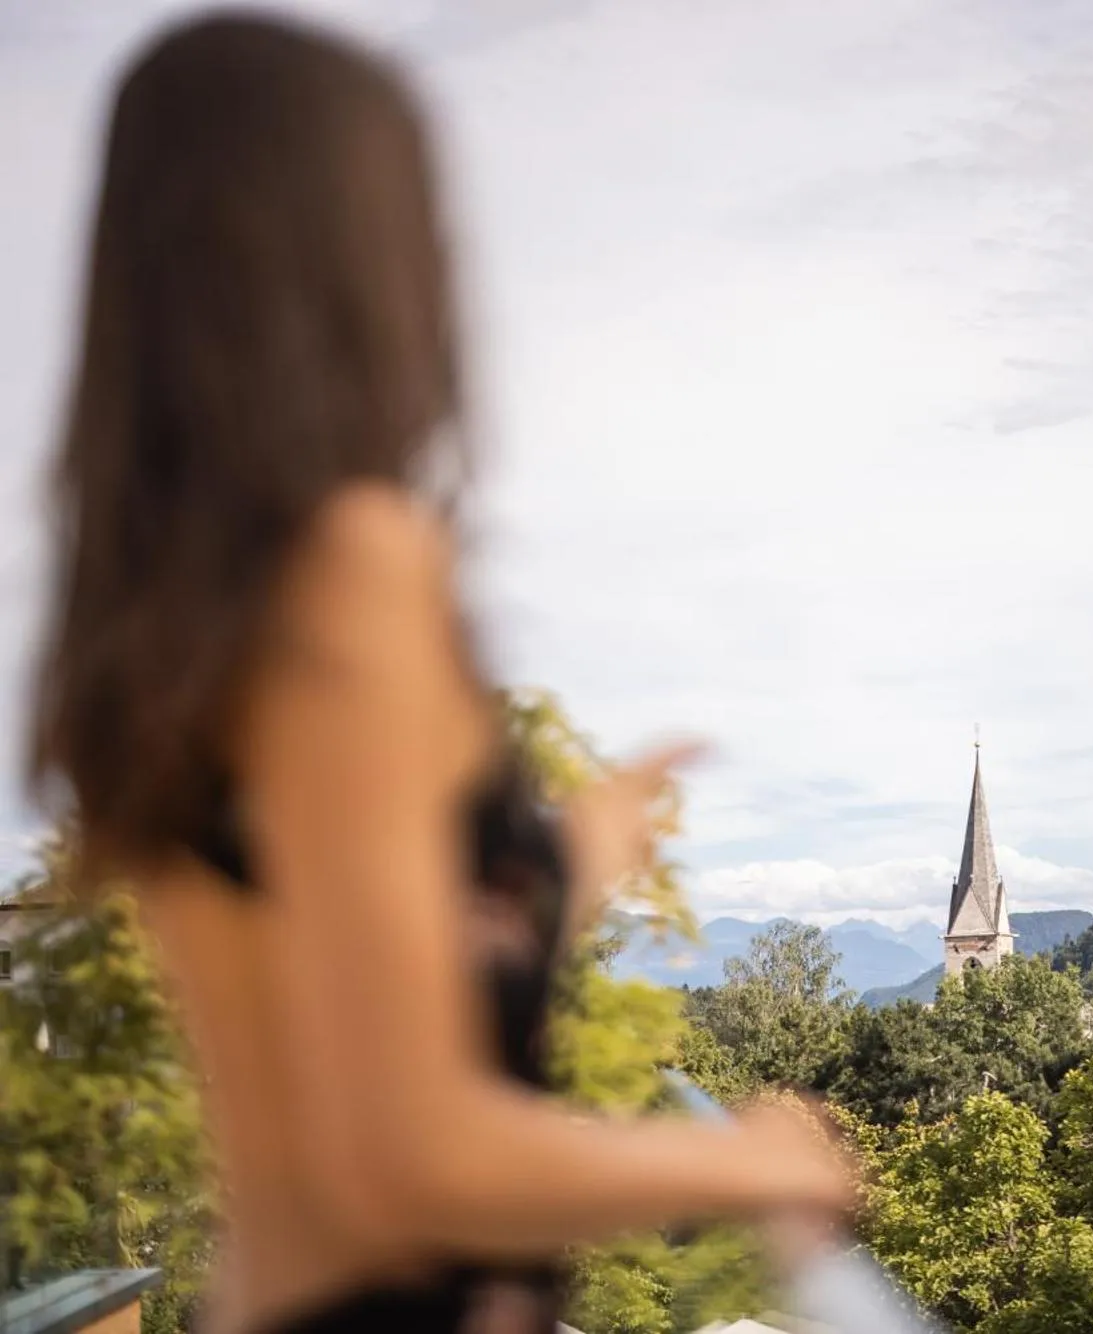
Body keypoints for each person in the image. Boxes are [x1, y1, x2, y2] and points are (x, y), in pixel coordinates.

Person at [26, 13, 854, 1334]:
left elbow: (358, 973)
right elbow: (407, 1153)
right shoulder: (351, 569)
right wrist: (747, 1156)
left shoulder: (164, 620)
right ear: (363, 258)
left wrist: (571, 847)